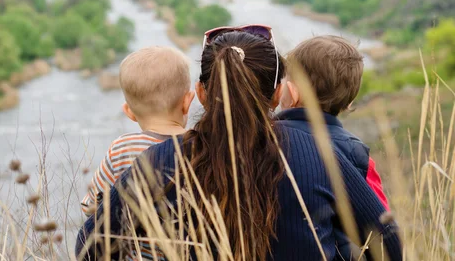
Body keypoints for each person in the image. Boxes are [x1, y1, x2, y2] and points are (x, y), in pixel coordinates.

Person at [76, 27, 402, 261]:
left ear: (200, 93)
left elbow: (91, 246)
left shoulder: (159, 162)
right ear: (277, 95)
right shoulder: (320, 153)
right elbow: (387, 240)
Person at [277, 35, 391, 259]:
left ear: (293, 92)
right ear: (349, 102)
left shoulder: (268, 138)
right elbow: (380, 218)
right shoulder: (356, 154)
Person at [80, 46, 194, 216]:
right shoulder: (201, 144)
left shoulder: (122, 149)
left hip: (131, 242)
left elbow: (90, 206)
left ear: (129, 112)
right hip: (194, 241)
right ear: (187, 102)